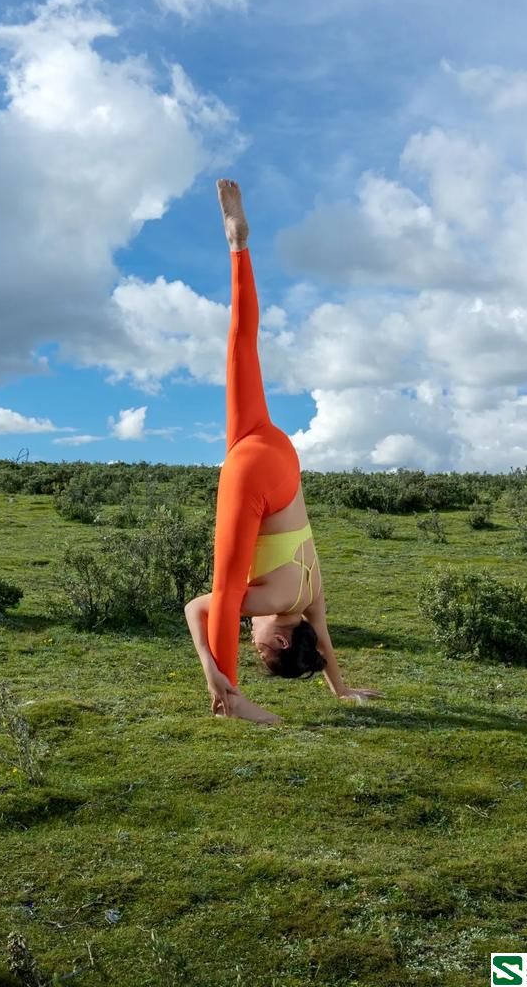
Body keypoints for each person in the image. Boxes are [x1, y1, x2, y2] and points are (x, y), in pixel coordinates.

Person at [184, 179, 382, 723]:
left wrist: (340, 690)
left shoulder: (310, 598)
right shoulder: (273, 604)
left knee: (242, 347)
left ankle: (237, 245)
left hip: (280, 455)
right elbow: (199, 607)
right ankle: (229, 699)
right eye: (257, 646)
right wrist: (210, 660)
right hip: (257, 475)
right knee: (225, 590)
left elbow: (324, 643)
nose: (255, 636)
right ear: (276, 641)